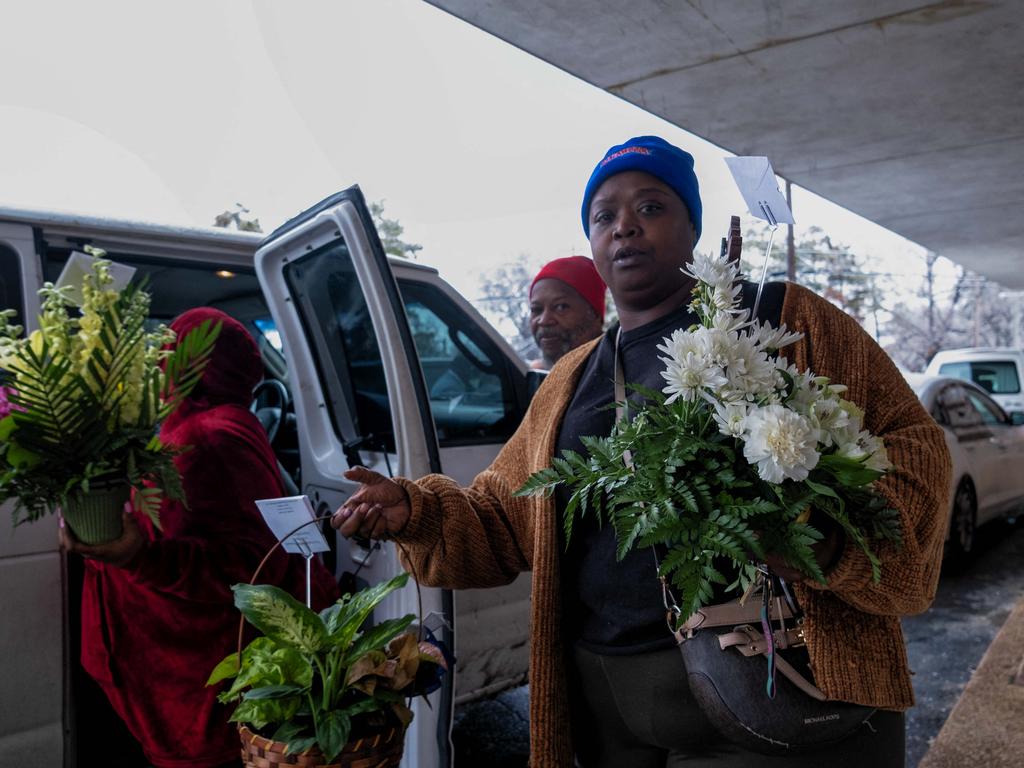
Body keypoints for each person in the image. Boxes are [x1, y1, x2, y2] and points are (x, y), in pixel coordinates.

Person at [330, 136, 951, 767]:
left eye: (651, 207)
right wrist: (417, 512)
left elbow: (916, 446)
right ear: (594, 245)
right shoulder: (568, 381)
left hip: (780, 687)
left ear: (692, 229)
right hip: (611, 715)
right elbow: (502, 515)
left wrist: (827, 539)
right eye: (604, 216)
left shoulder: (782, 321)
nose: (625, 225)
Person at [61, 307, 339, 768]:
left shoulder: (212, 436)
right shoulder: (195, 424)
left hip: (196, 681)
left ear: (193, 363)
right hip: (173, 669)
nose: (158, 362)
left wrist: (141, 558)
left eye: (169, 349)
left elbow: (252, 567)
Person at [528, 255, 606, 369]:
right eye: (536, 310)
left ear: (595, 313)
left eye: (561, 307)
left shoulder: (621, 370)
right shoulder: (536, 376)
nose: (544, 321)